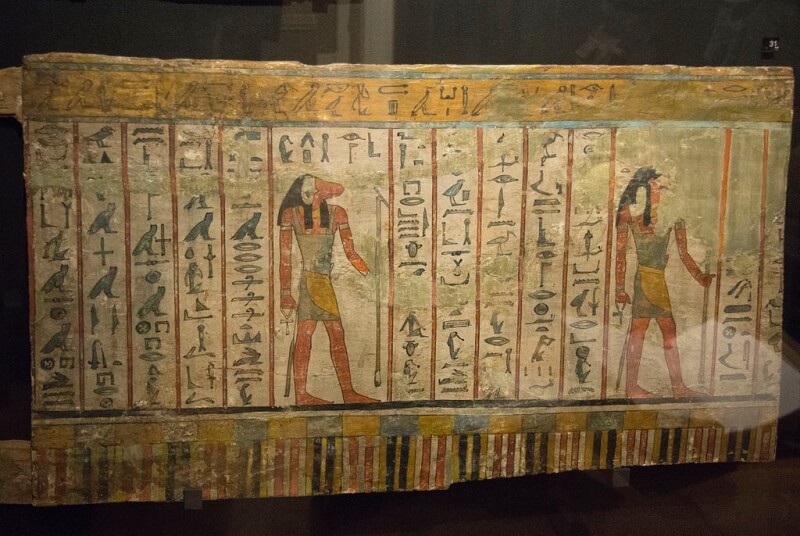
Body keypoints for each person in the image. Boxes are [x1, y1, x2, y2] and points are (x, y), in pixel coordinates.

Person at [278, 174, 378, 405]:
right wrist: (285, 293)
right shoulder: (291, 215)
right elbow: (285, 259)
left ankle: (344, 393)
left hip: (323, 282)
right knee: (310, 335)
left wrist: (368, 272)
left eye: (318, 192)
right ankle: (306, 395)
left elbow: (350, 252)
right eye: (310, 193)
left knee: (326, 335)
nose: (315, 197)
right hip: (310, 282)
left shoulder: (337, 213)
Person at [615, 167, 714, 398]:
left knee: (654, 332)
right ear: (647, 187)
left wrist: (700, 277)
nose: (664, 192)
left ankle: (671, 387)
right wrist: (619, 289)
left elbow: (684, 253)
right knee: (647, 332)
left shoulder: (673, 216)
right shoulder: (629, 213)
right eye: (660, 186)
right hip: (645, 279)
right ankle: (644, 387)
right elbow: (620, 254)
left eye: (666, 188)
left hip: (657, 280)